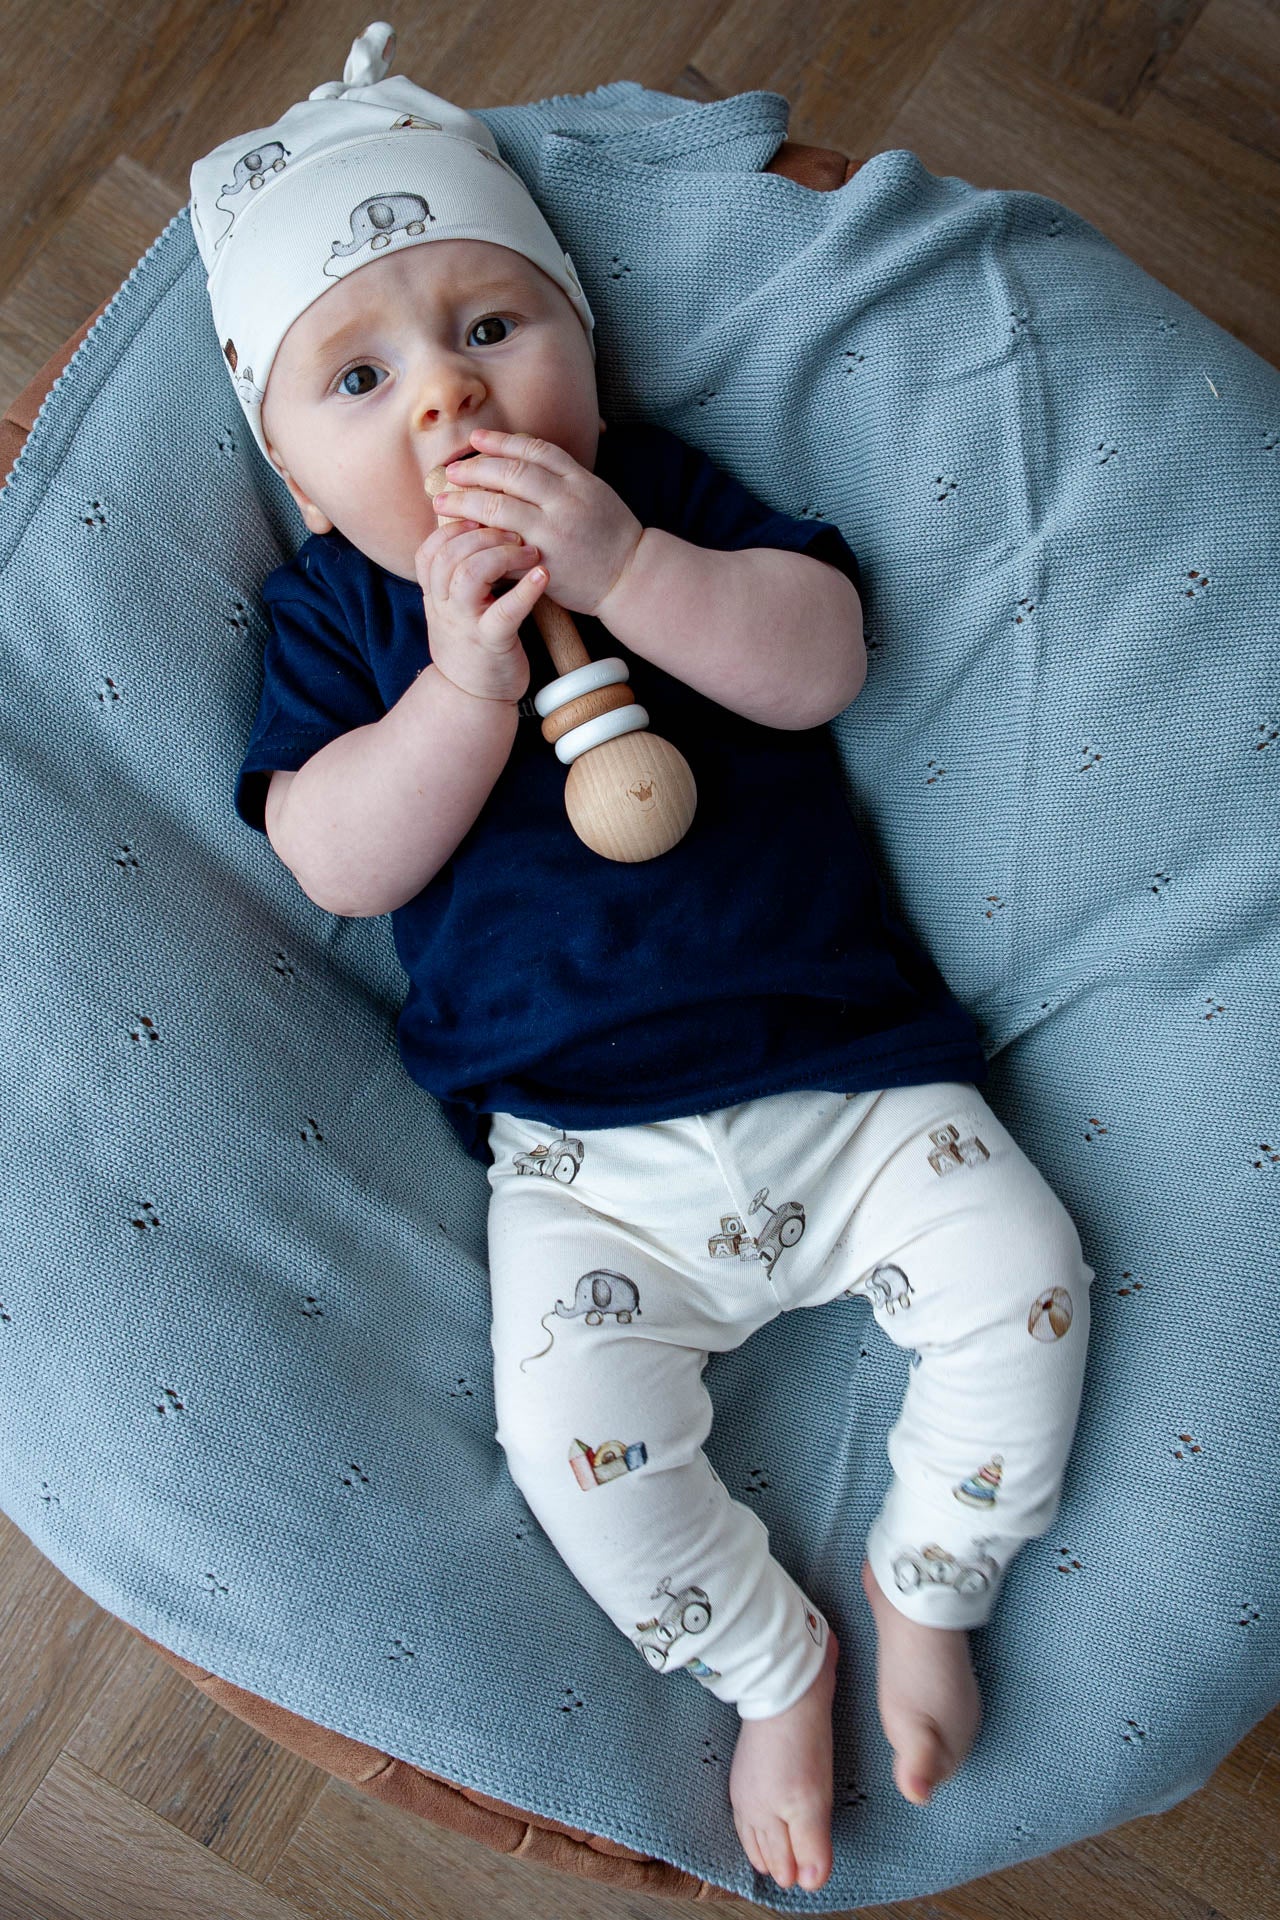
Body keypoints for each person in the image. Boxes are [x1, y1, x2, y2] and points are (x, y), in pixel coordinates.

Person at [194, 22, 1094, 1895]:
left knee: (1026, 1279)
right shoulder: (338, 622)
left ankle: (935, 1572)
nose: (449, 401)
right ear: (293, 469)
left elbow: (822, 656)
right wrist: (455, 690)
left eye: (493, 327)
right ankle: (776, 1663)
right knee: (579, 1451)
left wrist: (630, 575)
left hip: (851, 1076)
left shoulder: (658, 499)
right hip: (590, 1172)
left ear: (586, 348)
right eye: (362, 379)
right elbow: (332, 858)